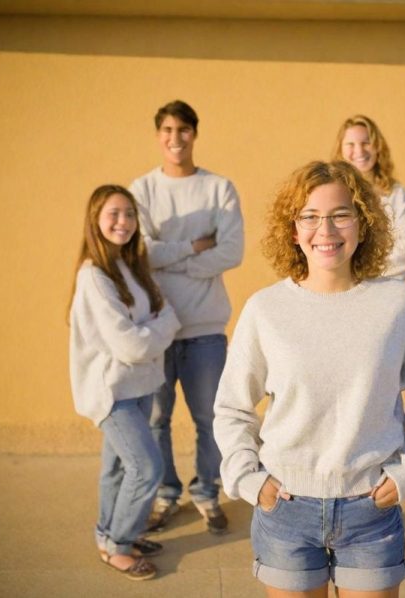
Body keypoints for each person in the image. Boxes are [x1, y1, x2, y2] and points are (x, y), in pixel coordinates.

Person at [214, 160, 405, 597]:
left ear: (362, 225)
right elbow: (233, 406)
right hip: (285, 511)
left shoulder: (398, 304)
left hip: (371, 512)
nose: (324, 230)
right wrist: (249, 480)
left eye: (340, 214)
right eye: (309, 216)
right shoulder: (265, 310)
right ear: (293, 230)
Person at [130, 100, 244, 534]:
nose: (175, 138)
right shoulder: (141, 190)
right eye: (167, 130)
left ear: (195, 134)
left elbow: (231, 251)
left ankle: (207, 491)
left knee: (210, 419)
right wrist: (195, 248)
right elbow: (140, 251)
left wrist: (168, 259)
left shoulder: (219, 189)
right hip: (154, 330)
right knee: (156, 419)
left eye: (183, 130)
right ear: (158, 135)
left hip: (205, 330)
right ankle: (166, 493)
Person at [68, 184, 180, 581]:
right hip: (112, 391)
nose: (123, 222)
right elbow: (130, 345)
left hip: (141, 387)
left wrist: (151, 329)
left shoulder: (132, 268)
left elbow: (170, 315)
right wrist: (153, 331)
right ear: (96, 220)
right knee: (146, 467)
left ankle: (109, 535)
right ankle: (119, 546)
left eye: (129, 214)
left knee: (116, 468)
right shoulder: (95, 277)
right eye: (113, 213)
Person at [333, 114, 405, 280]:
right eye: (351, 144)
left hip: (386, 286)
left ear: (378, 147)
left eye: (366, 142)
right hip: (340, 286)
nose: (359, 150)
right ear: (340, 150)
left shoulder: (396, 193)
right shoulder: (331, 192)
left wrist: (370, 280)